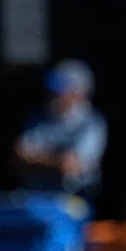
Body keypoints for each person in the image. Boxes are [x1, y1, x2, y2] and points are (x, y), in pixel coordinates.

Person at [15, 59, 108, 195]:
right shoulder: (38, 118)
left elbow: (69, 166)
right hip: (34, 197)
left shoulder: (92, 123)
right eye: (52, 90)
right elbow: (17, 160)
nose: (53, 95)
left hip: (74, 200)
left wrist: (36, 159)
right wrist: (56, 161)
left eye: (60, 90)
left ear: (78, 93)